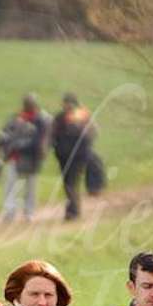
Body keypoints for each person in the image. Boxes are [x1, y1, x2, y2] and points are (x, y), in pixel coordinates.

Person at [0, 94, 51, 221]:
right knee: (10, 185)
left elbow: (39, 141)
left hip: (32, 158)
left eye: (30, 103)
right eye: (27, 103)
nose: (28, 105)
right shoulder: (15, 118)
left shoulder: (40, 120)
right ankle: (10, 212)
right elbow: (3, 135)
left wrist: (19, 145)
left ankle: (29, 212)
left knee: (30, 187)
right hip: (14, 157)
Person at [49, 92, 98, 221]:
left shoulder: (81, 117)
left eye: (67, 103)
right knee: (68, 183)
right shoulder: (61, 117)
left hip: (77, 157)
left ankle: (73, 211)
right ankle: (73, 210)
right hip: (63, 156)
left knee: (71, 183)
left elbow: (91, 134)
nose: (66, 106)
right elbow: (52, 134)